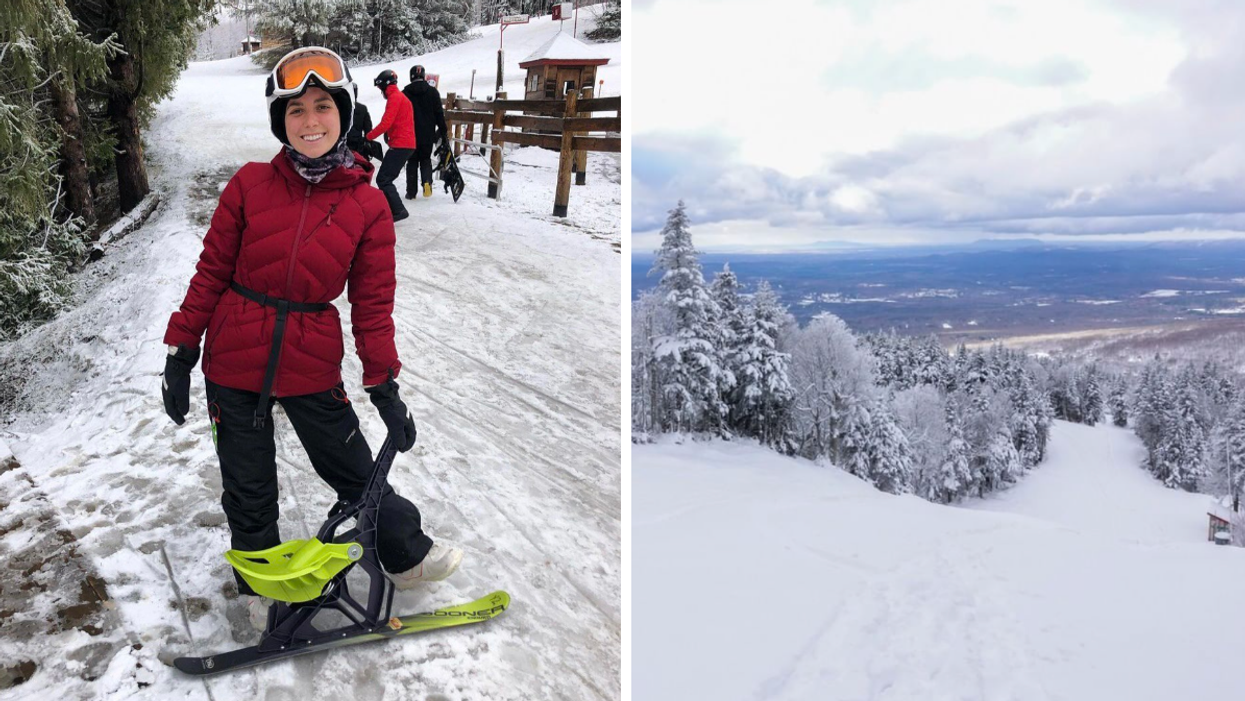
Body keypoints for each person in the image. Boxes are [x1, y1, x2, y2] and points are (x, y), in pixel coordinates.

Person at [159, 46, 462, 631]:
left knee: (354, 468)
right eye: (296, 111)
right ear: (281, 122)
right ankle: (260, 585)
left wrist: (385, 386)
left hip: (311, 358)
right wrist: (181, 350)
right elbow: (210, 274)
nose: (311, 121)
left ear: (344, 111)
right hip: (233, 358)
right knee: (248, 486)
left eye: (323, 106)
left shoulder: (369, 207)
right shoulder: (248, 186)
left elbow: (373, 307)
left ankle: (403, 554)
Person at [366, 69, 416, 221]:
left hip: (401, 145)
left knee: (384, 179)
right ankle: (392, 209)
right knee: (385, 178)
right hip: (404, 144)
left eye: (380, 88)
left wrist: (368, 137)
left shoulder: (395, 98)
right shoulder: (400, 97)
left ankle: (399, 210)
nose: (380, 92)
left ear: (384, 86)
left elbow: (386, 123)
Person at [401, 65, 448, 200]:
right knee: (425, 160)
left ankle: (411, 192)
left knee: (412, 161)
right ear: (424, 76)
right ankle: (427, 182)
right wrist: (443, 131)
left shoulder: (405, 93)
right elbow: (439, 114)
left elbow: (401, 115)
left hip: (410, 135)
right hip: (428, 135)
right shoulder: (433, 92)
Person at [344, 84, 382, 163]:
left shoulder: (339, 108)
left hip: (343, 145)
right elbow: (368, 128)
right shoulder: (362, 108)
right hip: (358, 146)